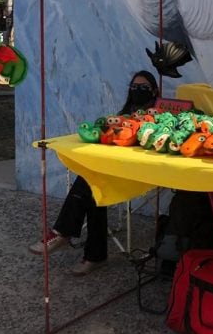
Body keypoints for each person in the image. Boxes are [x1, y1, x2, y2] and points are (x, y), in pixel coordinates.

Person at [29, 70, 160, 276]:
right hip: (114, 168)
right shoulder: (124, 115)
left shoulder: (160, 115)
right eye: (134, 87)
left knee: (91, 183)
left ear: (154, 91)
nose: (138, 91)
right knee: (91, 186)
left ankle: (65, 234)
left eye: (143, 88)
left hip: (140, 172)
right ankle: (91, 254)